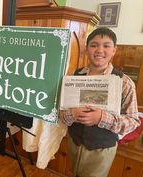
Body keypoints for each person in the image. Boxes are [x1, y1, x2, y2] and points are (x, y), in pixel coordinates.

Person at [59, 27, 140, 177]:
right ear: (87, 48)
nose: (99, 50)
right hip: (74, 143)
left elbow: (133, 121)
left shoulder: (124, 82)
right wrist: (72, 114)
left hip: (102, 150)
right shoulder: (73, 77)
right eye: (94, 45)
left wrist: (101, 118)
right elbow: (61, 114)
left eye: (106, 45)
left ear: (114, 50)